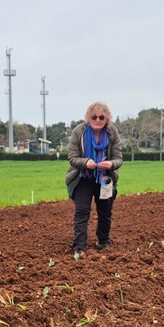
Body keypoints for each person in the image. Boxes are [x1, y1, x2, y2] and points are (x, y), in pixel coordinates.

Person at [66, 102, 123, 255]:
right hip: (82, 177)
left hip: (104, 177)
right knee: (82, 211)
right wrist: (86, 163)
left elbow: (119, 159)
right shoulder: (79, 132)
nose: (97, 120)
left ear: (107, 119)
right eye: (94, 117)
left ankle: (103, 241)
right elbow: (72, 158)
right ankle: (79, 247)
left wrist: (110, 164)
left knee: (105, 211)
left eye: (101, 117)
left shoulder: (112, 133)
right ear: (88, 118)